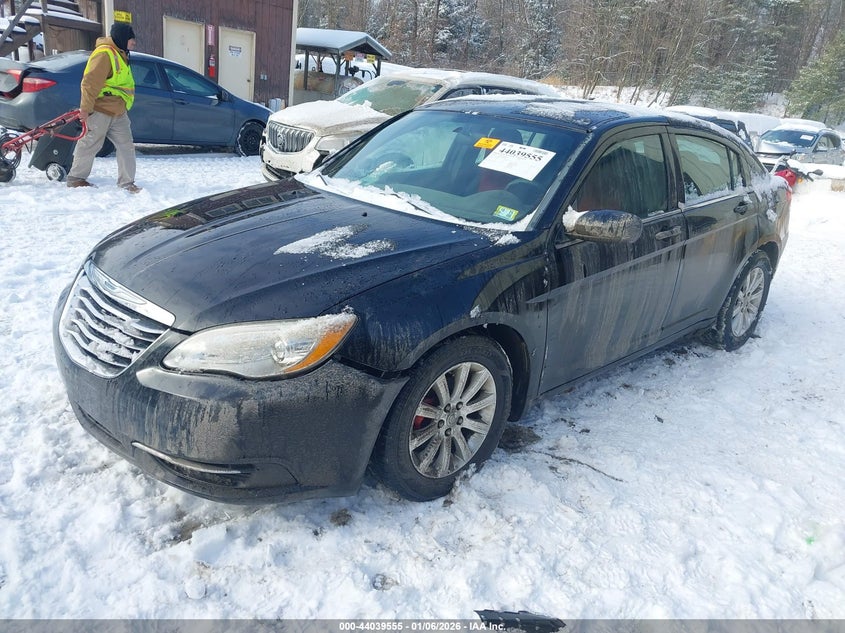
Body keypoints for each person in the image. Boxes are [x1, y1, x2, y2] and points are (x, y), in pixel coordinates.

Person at [66, 23, 141, 193]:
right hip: (101, 109)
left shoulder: (122, 54)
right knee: (90, 144)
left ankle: (127, 183)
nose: (134, 42)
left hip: (119, 111)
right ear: (122, 38)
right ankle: (76, 178)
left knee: (126, 146)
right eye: (131, 39)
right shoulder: (105, 54)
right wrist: (85, 109)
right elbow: (89, 83)